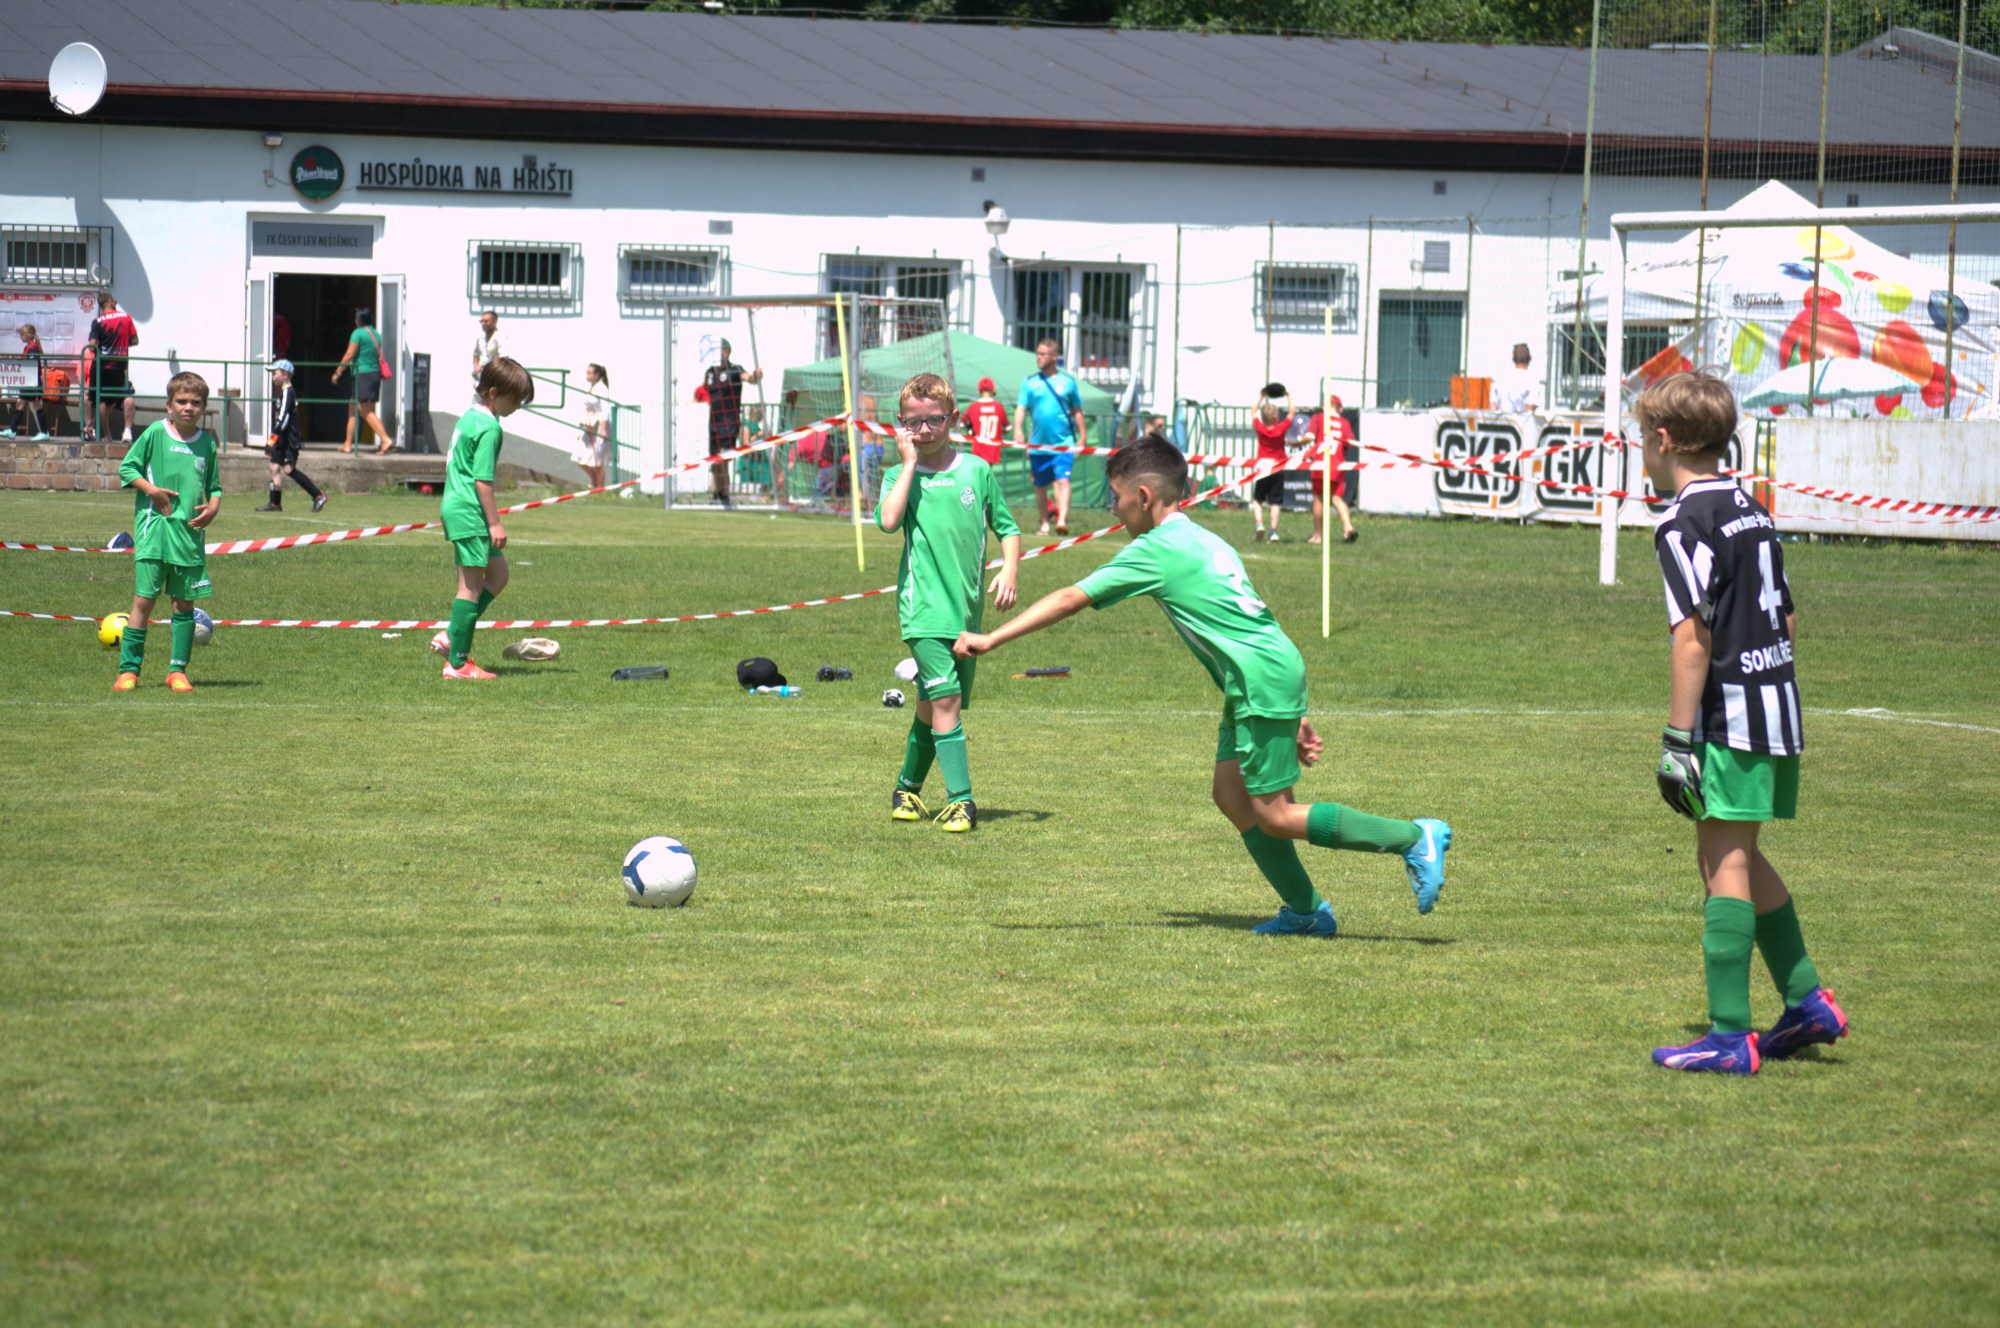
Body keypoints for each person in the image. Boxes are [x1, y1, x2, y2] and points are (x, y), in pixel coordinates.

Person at [954, 435, 1450, 934]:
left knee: (1276, 815)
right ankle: (1306, 912)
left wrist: (992, 638)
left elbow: (1070, 597)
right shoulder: (1208, 540)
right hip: (1261, 675)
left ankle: (1412, 838)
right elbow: (1247, 622)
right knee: (1231, 794)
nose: (1113, 509)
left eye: (1115, 497)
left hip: (1259, 679)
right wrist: (1293, 710)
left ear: (1143, 497)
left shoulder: (1155, 550)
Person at [1639, 370, 1848, 1075]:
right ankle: (1806, 1001)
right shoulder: (1750, 509)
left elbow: (1691, 639)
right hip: (1775, 705)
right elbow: (1786, 616)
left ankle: (1729, 1036)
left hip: (1729, 715)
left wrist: (1678, 740)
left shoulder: (1681, 522)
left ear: (1663, 440)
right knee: (1745, 857)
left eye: (1643, 439)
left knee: (1721, 861)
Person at [877, 371, 1022, 833]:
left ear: (953, 419)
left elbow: (1008, 528)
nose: (924, 431)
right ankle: (962, 801)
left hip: (966, 612)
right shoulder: (898, 476)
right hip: (922, 610)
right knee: (947, 700)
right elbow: (888, 521)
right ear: (901, 425)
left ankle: (906, 790)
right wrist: (906, 466)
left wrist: (1010, 568)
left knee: (930, 705)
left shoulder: (976, 471)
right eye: (913, 423)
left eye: (934, 420)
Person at [112, 371, 220, 695]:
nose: (189, 407)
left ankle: (177, 671)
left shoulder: (207, 444)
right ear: (169, 405)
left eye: (196, 402)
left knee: (183, 605)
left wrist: (214, 507)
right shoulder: (156, 433)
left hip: (189, 535)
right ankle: (128, 671)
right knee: (143, 600)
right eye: (182, 401)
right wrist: (152, 491)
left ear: (203, 407)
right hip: (153, 531)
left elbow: (214, 486)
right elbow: (127, 468)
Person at [429, 357, 532, 681]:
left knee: (498, 575)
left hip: (457, 505)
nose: (517, 406)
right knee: (470, 588)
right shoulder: (490, 427)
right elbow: (482, 481)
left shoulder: (470, 416)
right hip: (470, 511)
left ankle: (451, 634)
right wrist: (495, 523)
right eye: (514, 399)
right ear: (494, 392)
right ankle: (458, 664)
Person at [1012, 338, 1085, 537]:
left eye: (1043, 354)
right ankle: (1044, 523)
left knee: (1063, 481)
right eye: (1038, 353)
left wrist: (1083, 436)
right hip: (1038, 445)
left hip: (1063, 443)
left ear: (1054, 357)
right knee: (1040, 487)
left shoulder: (1067, 382)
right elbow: (1021, 408)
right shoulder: (1029, 382)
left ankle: (1061, 520)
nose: (1039, 357)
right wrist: (1018, 429)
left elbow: (1077, 411)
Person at [256, 360, 326, 513]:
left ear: (285, 375)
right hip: (281, 439)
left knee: (288, 469)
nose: (273, 376)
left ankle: (318, 495)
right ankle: (275, 503)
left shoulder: (289, 392)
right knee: (273, 467)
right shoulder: (283, 392)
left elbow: (283, 418)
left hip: (289, 441)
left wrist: (272, 439)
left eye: (275, 373)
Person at [701, 338, 763, 508]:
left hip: (729, 421)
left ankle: (723, 494)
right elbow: (704, 390)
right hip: (714, 422)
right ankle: (718, 494)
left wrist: (755, 376)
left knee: (723, 458)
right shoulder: (710, 372)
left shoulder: (735, 370)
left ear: (725, 352)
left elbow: (749, 378)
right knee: (715, 459)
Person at [330, 307, 396, 455]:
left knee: (364, 409)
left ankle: (385, 439)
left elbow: (349, 354)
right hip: (373, 374)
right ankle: (347, 444)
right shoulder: (376, 334)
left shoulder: (358, 333)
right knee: (353, 407)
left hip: (363, 375)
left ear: (358, 321)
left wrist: (337, 372)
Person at [1304, 396, 1359, 545]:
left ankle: (1318, 535)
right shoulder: (1345, 423)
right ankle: (1348, 527)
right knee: (1336, 498)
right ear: (1340, 409)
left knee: (1318, 498)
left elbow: (1309, 437)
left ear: (1324, 407)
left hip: (1322, 463)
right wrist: (1344, 451)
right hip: (1338, 465)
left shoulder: (1319, 418)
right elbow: (1350, 443)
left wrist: (1296, 443)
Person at [88, 290, 140, 444]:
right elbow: (135, 340)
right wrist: (121, 344)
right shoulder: (126, 317)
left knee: (102, 399)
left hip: (101, 366)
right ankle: (96, 428)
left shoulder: (97, 321)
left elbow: (92, 346)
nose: (115, 304)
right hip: (119, 365)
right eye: (115, 302)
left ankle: (105, 434)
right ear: (110, 301)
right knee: (115, 397)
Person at [1248, 382, 1295, 543]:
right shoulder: (1280, 429)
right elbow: (1292, 412)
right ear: (1276, 417)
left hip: (1262, 467)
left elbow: (1253, 412)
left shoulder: (1259, 428)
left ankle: (1259, 524)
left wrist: (1262, 396)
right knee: (1275, 501)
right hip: (1277, 467)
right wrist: (1288, 395)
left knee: (1257, 499)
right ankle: (1273, 531)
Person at [572, 362, 611, 490]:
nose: (587, 376)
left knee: (597, 461)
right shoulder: (593, 388)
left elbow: (605, 409)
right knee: (580, 456)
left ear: (597, 374)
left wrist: (603, 430)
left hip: (599, 427)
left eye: (589, 373)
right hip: (588, 426)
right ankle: (595, 481)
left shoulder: (602, 389)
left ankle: (599, 487)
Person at [7, 325, 49, 440]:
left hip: (33, 383)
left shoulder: (32, 349)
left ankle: (44, 432)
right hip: (27, 382)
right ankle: (12, 430)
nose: (21, 336)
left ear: (29, 335)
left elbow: (31, 365)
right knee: (20, 402)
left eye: (22, 334)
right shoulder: (28, 347)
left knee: (37, 405)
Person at [961, 375, 1009, 466]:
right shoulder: (999, 407)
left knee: (979, 472)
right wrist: (997, 431)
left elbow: (961, 424)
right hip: (993, 449)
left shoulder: (973, 407)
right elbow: (1008, 428)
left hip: (978, 448)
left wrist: (971, 428)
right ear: (993, 390)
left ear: (979, 391)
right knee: (987, 471)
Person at [1496, 342, 1540, 414]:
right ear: (1530, 357)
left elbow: (1493, 406)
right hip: (1520, 420)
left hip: (1501, 420)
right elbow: (1530, 410)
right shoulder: (1532, 380)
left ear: (1513, 358)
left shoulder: (1501, 378)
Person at [471, 310, 503, 396]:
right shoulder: (480, 339)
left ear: (495, 322)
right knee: (477, 400)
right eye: (481, 321)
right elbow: (476, 354)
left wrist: (483, 367)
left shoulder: (501, 338)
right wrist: (475, 368)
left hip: (494, 379)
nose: (483, 324)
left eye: (486, 321)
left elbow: (503, 360)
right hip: (480, 379)